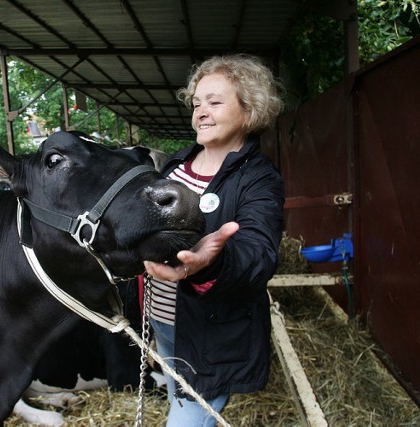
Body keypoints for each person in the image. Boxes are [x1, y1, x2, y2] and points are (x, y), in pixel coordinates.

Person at [143, 54, 285, 426]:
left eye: (215, 102)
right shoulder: (174, 166)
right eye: (196, 103)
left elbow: (259, 253)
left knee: (187, 419)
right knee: (178, 396)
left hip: (210, 334)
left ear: (249, 110)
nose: (201, 112)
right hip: (164, 322)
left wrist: (213, 262)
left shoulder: (258, 179)